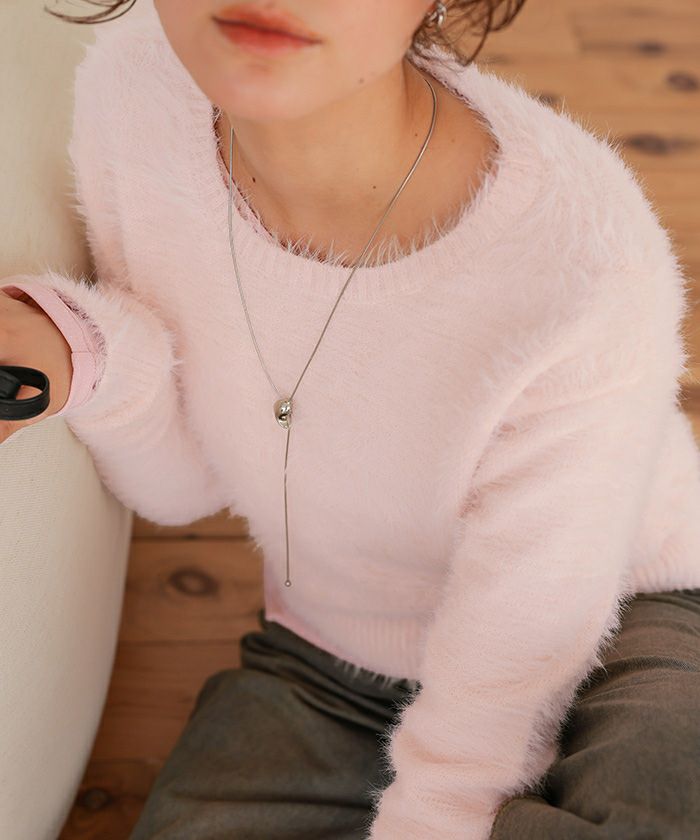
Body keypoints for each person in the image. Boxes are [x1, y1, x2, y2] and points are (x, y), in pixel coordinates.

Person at [2, 1, 700, 838]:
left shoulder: (585, 260)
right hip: (332, 651)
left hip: (627, 614)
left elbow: (528, 627)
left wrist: (436, 813)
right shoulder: (133, 92)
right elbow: (181, 490)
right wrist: (87, 356)